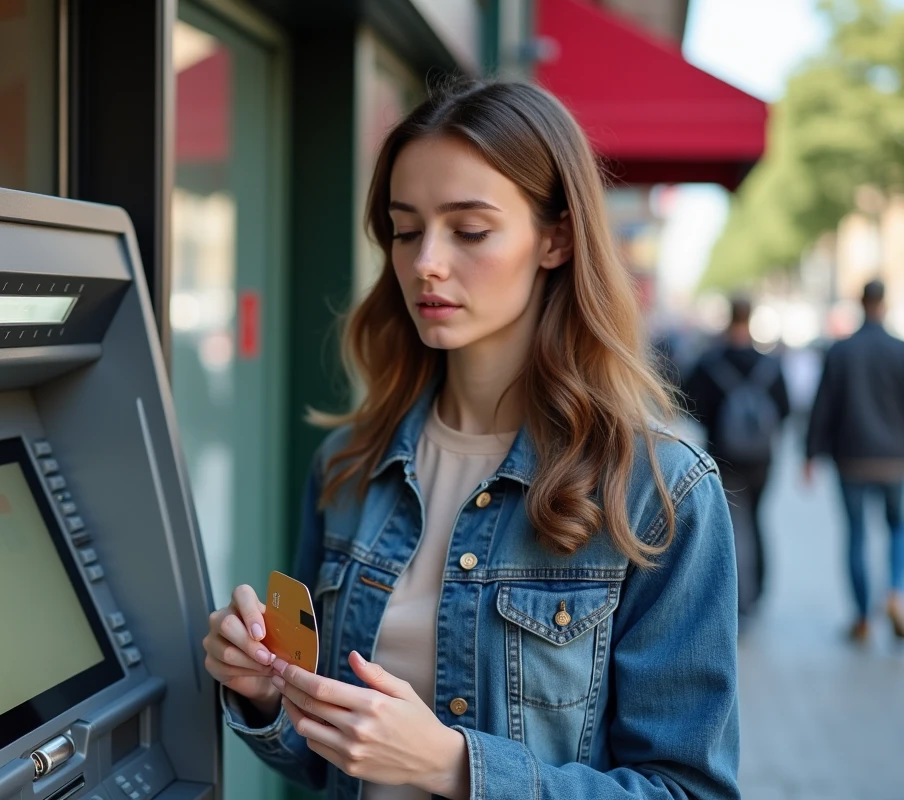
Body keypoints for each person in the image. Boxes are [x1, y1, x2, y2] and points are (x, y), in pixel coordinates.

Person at [201, 80, 739, 800]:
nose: (426, 262)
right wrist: (263, 694)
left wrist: (453, 767)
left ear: (557, 237)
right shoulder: (349, 467)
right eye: (405, 228)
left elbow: (688, 789)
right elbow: (324, 757)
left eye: (470, 230)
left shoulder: (659, 493)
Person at [806, 279, 904, 643]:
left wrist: (810, 453)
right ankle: (896, 592)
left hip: (851, 459)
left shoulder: (841, 351)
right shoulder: (900, 350)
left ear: (861, 303)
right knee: (898, 528)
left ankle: (862, 617)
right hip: (896, 460)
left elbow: (823, 405)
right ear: (885, 303)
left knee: (857, 535)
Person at [683, 296, 790, 621]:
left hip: (723, 456)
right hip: (762, 459)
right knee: (756, 519)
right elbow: (784, 409)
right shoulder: (770, 365)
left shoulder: (711, 363)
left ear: (729, 320)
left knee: (732, 524)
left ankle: (736, 596)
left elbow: (690, 405)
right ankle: (756, 593)